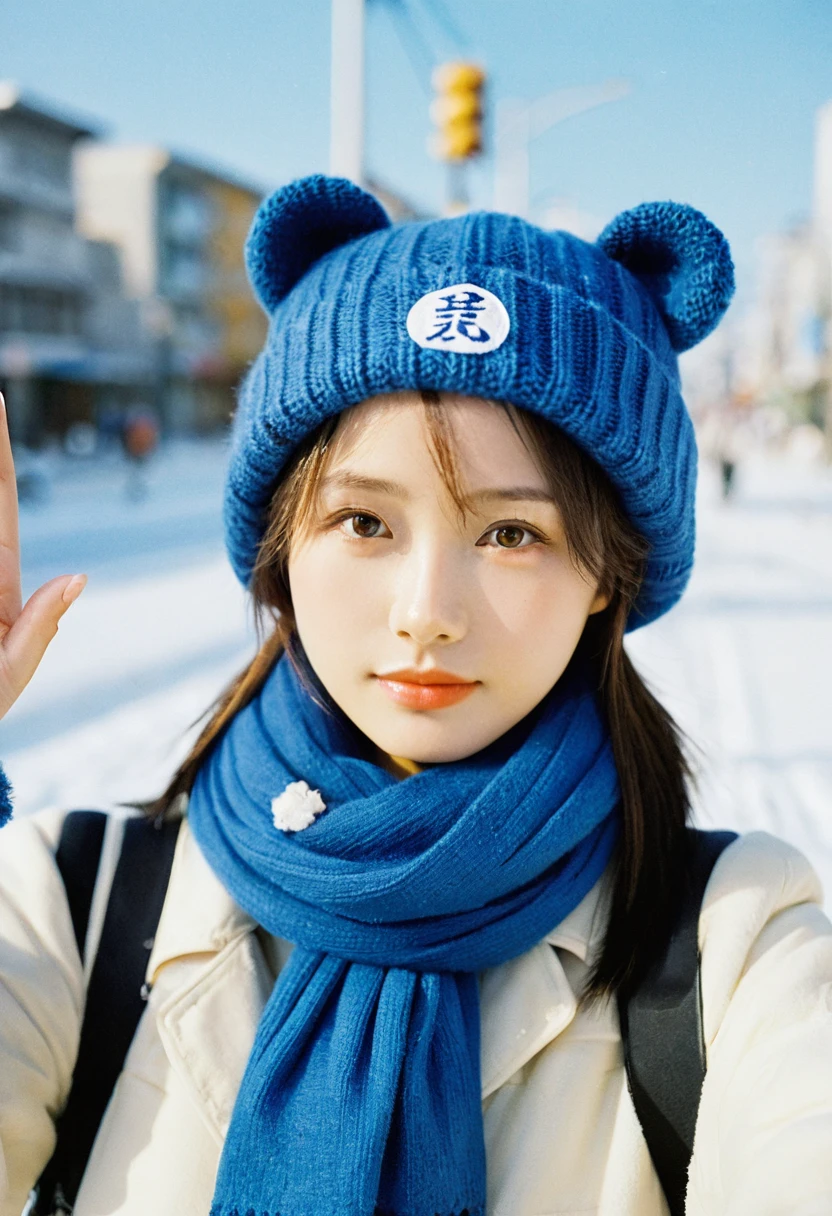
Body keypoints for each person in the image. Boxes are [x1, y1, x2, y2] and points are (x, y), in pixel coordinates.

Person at [0, 175, 830, 1216]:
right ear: (280, 544)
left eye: (512, 532)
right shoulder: (73, 904)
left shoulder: (732, 947)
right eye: (363, 522)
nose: (425, 612)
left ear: (606, 576)